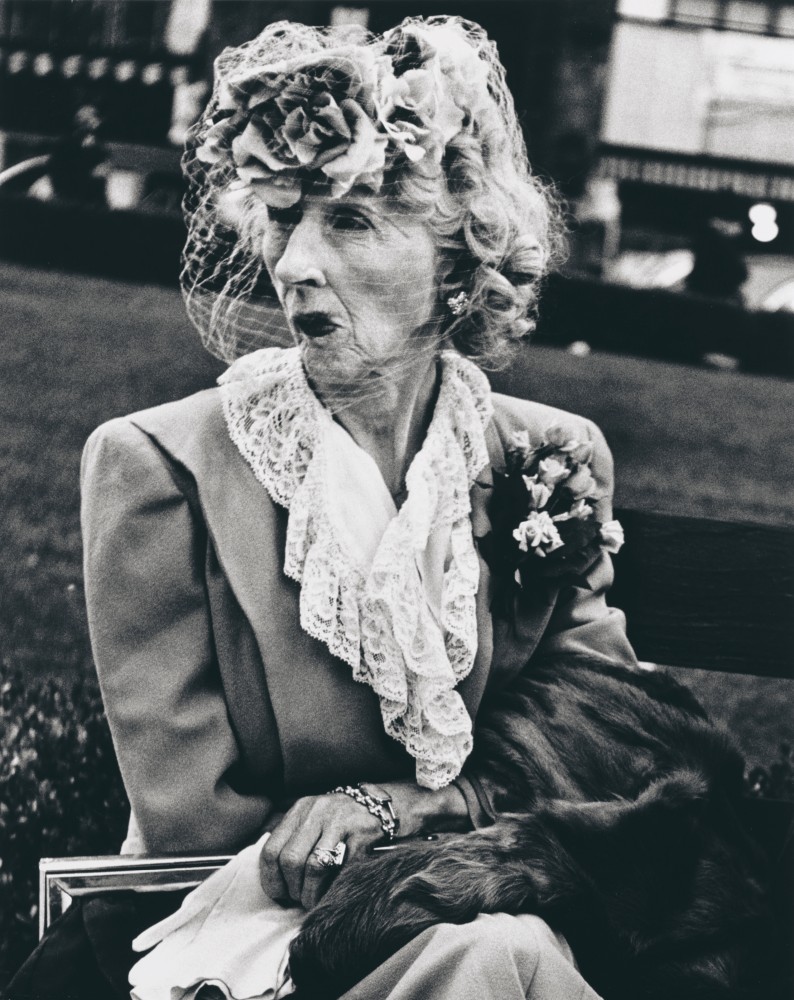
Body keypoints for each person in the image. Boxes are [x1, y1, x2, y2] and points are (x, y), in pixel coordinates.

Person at [10, 16, 638, 1000]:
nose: (294, 260)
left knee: (506, 951)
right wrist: (454, 837)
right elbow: (195, 823)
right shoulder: (157, 467)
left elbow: (599, 733)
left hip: (485, 899)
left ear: (457, 258)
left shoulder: (546, 458)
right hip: (228, 929)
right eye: (283, 216)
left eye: (346, 221)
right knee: (501, 958)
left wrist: (401, 807)